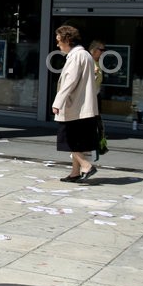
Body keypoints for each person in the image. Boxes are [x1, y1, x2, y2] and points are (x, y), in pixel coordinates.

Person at [52, 25, 99, 183]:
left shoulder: (76, 56)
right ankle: (75, 173)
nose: (57, 44)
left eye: (59, 41)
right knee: (77, 140)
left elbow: (70, 82)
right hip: (83, 106)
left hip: (74, 105)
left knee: (69, 139)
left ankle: (86, 166)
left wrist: (58, 102)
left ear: (67, 40)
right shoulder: (85, 55)